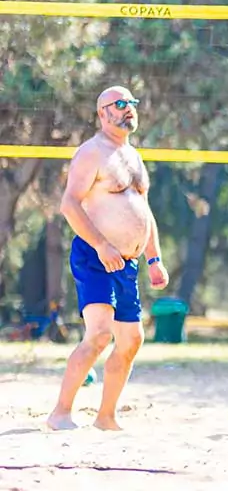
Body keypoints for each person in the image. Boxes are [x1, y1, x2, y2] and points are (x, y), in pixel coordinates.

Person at [47, 86, 168, 431]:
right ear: (102, 113)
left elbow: (144, 211)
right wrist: (101, 244)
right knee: (100, 334)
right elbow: (69, 204)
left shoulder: (133, 157)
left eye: (131, 103)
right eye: (119, 104)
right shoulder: (91, 152)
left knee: (131, 340)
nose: (128, 109)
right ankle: (60, 414)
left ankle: (105, 417)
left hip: (127, 263)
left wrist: (154, 259)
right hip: (94, 255)